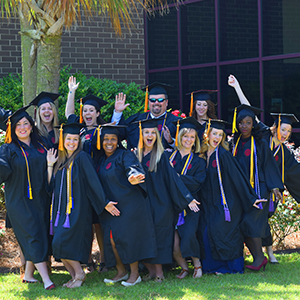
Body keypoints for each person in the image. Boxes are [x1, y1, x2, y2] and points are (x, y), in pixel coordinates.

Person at [228, 74, 300, 263]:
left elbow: (295, 173)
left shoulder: (285, 152)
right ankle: (263, 254)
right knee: (250, 222)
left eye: (288, 132)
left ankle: (267, 254)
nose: (284, 134)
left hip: (265, 188)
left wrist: (276, 186)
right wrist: (237, 87)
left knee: (260, 222)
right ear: (274, 127)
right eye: (282, 129)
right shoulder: (261, 135)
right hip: (246, 184)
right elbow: (248, 111)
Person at [47, 120, 119, 288]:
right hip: (59, 211)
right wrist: (50, 164)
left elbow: (94, 182)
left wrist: (104, 202)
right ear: (63, 141)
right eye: (68, 139)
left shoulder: (83, 158)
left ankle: (79, 274)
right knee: (57, 245)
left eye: (75, 139)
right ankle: (75, 276)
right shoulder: (61, 160)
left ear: (79, 141)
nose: (71, 142)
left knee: (62, 242)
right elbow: (50, 186)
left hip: (77, 209)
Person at [135, 118, 200, 283]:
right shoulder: (136, 156)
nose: (150, 135)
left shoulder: (161, 156)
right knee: (145, 237)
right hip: (144, 204)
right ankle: (150, 271)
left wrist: (188, 199)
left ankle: (159, 274)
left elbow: (173, 180)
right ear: (141, 135)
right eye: (146, 132)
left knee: (160, 238)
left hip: (161, 204)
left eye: (152, 133)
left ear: (157, 136)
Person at [198, 119, 265, 274]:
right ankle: (211, 267)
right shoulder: (202, 155)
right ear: (207, 135)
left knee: (223, 231)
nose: (217, 138)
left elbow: (238, 178)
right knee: (206, 231)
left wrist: (251, 198)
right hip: (208, 204)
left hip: (225, 203)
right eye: (214, 133)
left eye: (220, 135)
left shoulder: (223, 155)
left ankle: (231, 267)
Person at [0, 106, 55, 289]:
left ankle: (29, 275)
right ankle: (47, 280)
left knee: (40, 233)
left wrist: (49, 165)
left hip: (40, 199)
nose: (22, 127)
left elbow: (51, 172)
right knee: (33, 235)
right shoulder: (7, 149)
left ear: (31, 126)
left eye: (26, 123)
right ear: (12, 129)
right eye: (18, 125)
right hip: (19, 200)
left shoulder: (42, 146)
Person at [95, 124, 156, 286]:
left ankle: (135, 274)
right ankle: (121, 271)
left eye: (113, 139)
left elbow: (132, 168)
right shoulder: (101, 160)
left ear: (118, 141)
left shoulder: (124, 155)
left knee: (128, 239)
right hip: (111, 206)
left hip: (129, 205)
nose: (109, 142)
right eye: (106, 139)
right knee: (112, 240)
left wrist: (133, 177)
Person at [231, 104, 284, 270]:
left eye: (248, 122)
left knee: (250, 223)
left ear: (253, 124)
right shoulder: (234, 143)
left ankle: (259, 258)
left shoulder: (260, 143)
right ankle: (258, 258)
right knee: (242, 224)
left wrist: (275, 187)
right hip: (241, 192)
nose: (244, 126)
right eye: (241, 123)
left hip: (259, 190)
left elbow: (269, 165)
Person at [65, 76, 108, 272]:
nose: (87, 113)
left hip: (98, 179)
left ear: (98, 113)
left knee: (99, 223)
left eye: (91, 110)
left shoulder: (104, 131)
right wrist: (71, 92)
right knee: (86, 223)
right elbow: (69, 114)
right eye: (85, 111)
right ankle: (88, 259)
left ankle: (105, 260)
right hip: (80, 182)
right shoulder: (79, 131)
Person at [165, 117, 206, 279]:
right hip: (170, 205)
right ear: (179, 137)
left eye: (192, 137)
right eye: (185, 136)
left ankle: (197, 265)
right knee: (173, 243)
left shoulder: (198, 162)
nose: (188, 140)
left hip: (191, 205)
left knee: (189, 235)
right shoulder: (168, 157)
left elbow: (197, 183)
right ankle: (183, 268)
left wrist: (175, 176)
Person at [112, 82, 179, 149]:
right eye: (152, 100)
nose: (156, 103)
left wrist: (171, 141)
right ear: (148, 101)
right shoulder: (136, 120)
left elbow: (185, 147)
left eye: (160, 100)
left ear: (166, 102)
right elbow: (119, 134)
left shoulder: (176, 123)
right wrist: (118, 112)